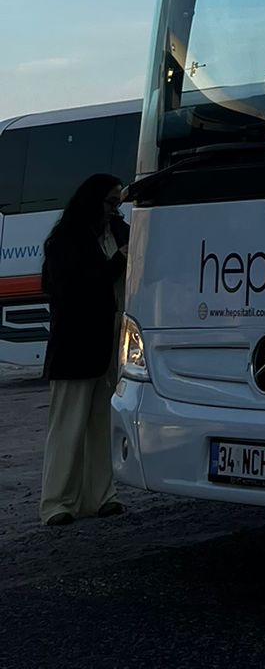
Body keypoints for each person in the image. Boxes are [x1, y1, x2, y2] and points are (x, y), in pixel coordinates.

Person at [38, 173, 129, 527]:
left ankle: (101, 496)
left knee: (101, 426)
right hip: (75, 347)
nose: (115, 210)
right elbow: (75, 288)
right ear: (93, 202)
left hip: (109, 344)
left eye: (117, 203)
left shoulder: (116, 231)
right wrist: (118, 261)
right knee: (68, 428)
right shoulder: (66, 241)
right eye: (110, 203)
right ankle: (57, 502)